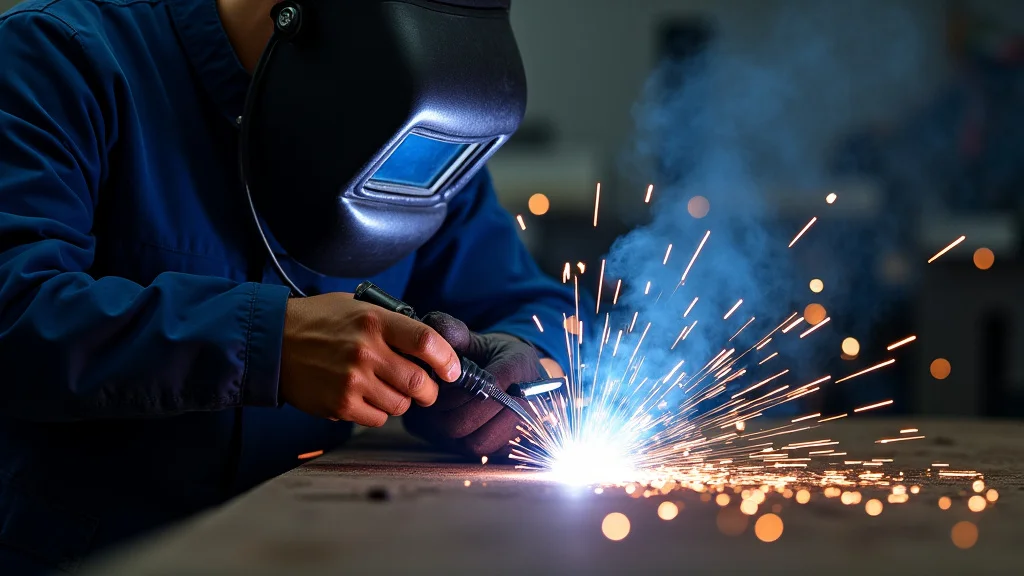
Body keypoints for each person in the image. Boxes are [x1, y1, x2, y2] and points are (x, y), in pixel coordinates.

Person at [0, 0, 577, 572]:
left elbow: (536, 307)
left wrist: (524, 361)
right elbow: (14, 308)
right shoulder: (59, 56)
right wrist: (269, 343)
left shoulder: (428, 123)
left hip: (310, 551)